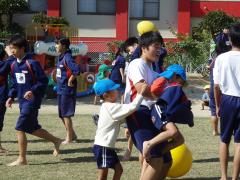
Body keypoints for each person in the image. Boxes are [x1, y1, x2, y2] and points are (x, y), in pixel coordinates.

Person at [6, 35, 62, 166]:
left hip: (32, 102)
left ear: (22, 48)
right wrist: (10, 96)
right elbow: (15, 84)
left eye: (13, 48)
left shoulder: (32, 63)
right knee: (32, 128)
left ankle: (22, 159)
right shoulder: (13, 65)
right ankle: (56, 141)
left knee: (20, 127)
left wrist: (32, 90)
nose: (11, 51)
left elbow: (43, 81)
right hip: (22, 101)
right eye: (10, 48)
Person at [124, 31, 171, 179]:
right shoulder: (137, 63)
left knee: (166, 161)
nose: (159, 50)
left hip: (151, 113)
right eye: (155, 46)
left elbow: (161, 89)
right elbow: (141, 89)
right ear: (143, 47)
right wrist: (159, 94)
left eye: (160, 47)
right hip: (138, 112)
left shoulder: (152, 70)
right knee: (155, 158)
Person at [92, 79, 146, 180]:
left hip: (107, 147)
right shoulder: (110, 107)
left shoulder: (108, 106)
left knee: (119, 170)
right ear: (106, 95)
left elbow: (124, 117)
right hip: (103, 146)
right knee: (103, 174)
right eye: (114, 89)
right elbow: (132, 107)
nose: (117, 91)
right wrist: (141, 93)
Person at [143, 65, 193, 165]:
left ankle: (158, 153)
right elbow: (170, 105)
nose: (168, 79)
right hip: (160, 111)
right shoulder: (175, 87)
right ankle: (148, 144)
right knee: (173, 132)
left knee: (179, 139)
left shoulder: (174, 87)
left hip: (163, 113)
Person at [213, 23, 240, 180]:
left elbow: (216, 86)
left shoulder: (221, 58)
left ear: (230, 39)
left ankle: (224, 176)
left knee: (224, 139)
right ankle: (235, 177)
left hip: (227, 99)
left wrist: (217, 106)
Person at [55, 38, 81, 144]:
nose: (56, 46)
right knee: (62, 114)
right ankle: (72, 135)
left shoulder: (67, 57)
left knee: (66, 114)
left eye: (57, 44)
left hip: (67, 90)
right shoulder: (61, 57)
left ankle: (69, 138)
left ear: (64, 46)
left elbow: (77, 69)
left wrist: (71, 79)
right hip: (61, 89)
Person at [209, 36, 231, 136]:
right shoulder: (226, 59)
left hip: (214, 88)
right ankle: (226, 130)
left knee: (214, 111)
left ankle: (215, 131)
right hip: (224, 88)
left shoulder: (215, 60)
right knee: (226, 111)